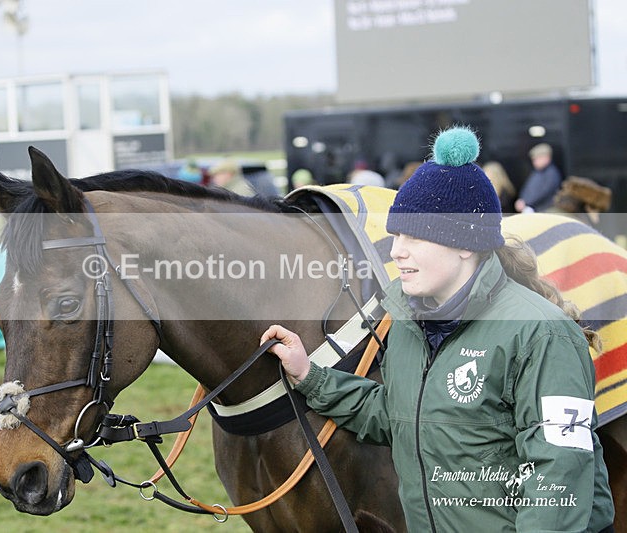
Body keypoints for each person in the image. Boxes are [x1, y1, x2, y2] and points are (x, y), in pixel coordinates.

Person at [261, 127, 614, 532]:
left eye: (415, 235)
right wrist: (310, 376)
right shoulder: (412, 323)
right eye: (395, 235)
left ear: (465, 243)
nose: (396, 251)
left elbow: (558, 476)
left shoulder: (542, 335)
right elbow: (398, 416)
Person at [515, 143, 562, 213]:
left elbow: (544, 192)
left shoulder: (551, 173)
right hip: (533, 210)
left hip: (546, 210)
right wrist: (522, 200)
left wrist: (526, 202)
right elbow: (527, 188)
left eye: (537, 159)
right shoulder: (536, 173)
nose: (534, 162)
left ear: (547, 158)